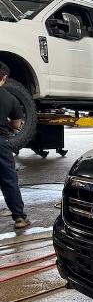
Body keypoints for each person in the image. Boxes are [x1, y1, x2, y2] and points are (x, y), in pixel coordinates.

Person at [0, 62, 30, 229]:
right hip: (0, 144)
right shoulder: (10, 98)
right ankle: (19, 218)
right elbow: (17, 125)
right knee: (9, 181)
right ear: (4, 78)